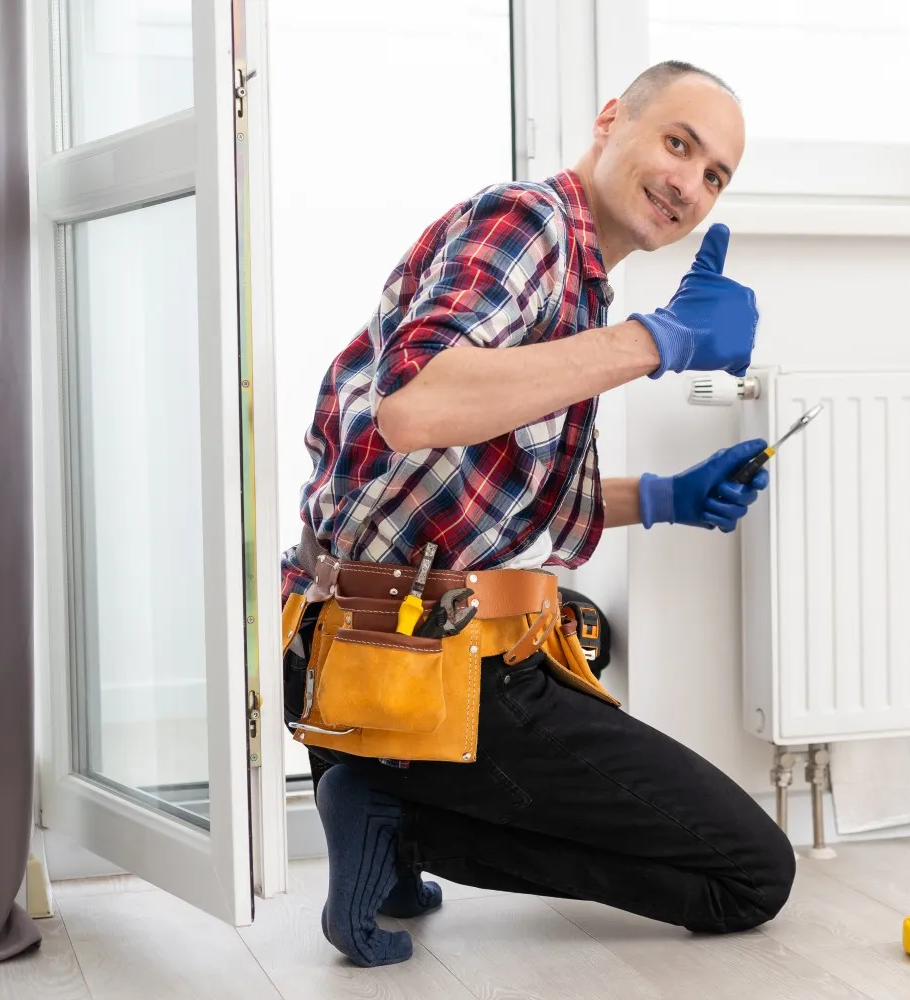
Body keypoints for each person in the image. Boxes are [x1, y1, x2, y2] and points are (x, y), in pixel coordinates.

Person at [280, 60, 796, 968]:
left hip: (370, 650)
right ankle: (395, 811)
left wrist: (665, 498)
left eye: (717, 174)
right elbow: (414, 404)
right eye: (679, 144)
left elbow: (478, 490)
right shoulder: (530, 225)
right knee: (751, 876)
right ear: (611, 121)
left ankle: (384, 800)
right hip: (419, 660)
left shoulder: (583, 278)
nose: (692, 184)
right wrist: (655, 342)